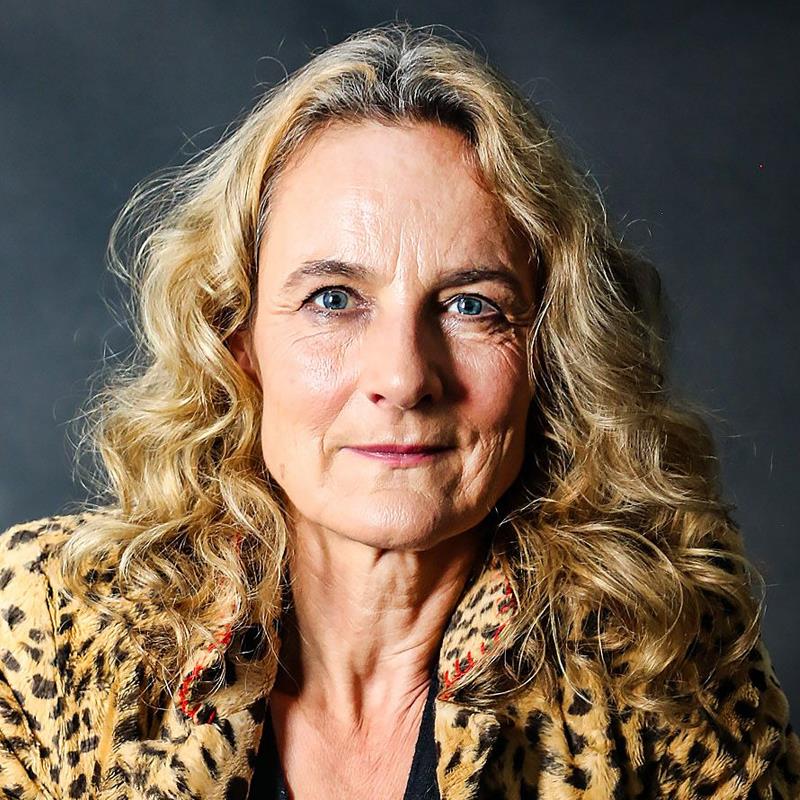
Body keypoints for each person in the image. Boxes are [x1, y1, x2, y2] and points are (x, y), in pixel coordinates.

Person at [0, 21, 797, 800]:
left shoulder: (668, 657)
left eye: (471, 305)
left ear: (550, 349)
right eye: (333, 298)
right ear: (237, 339)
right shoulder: (48, 624)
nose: (405, 377)